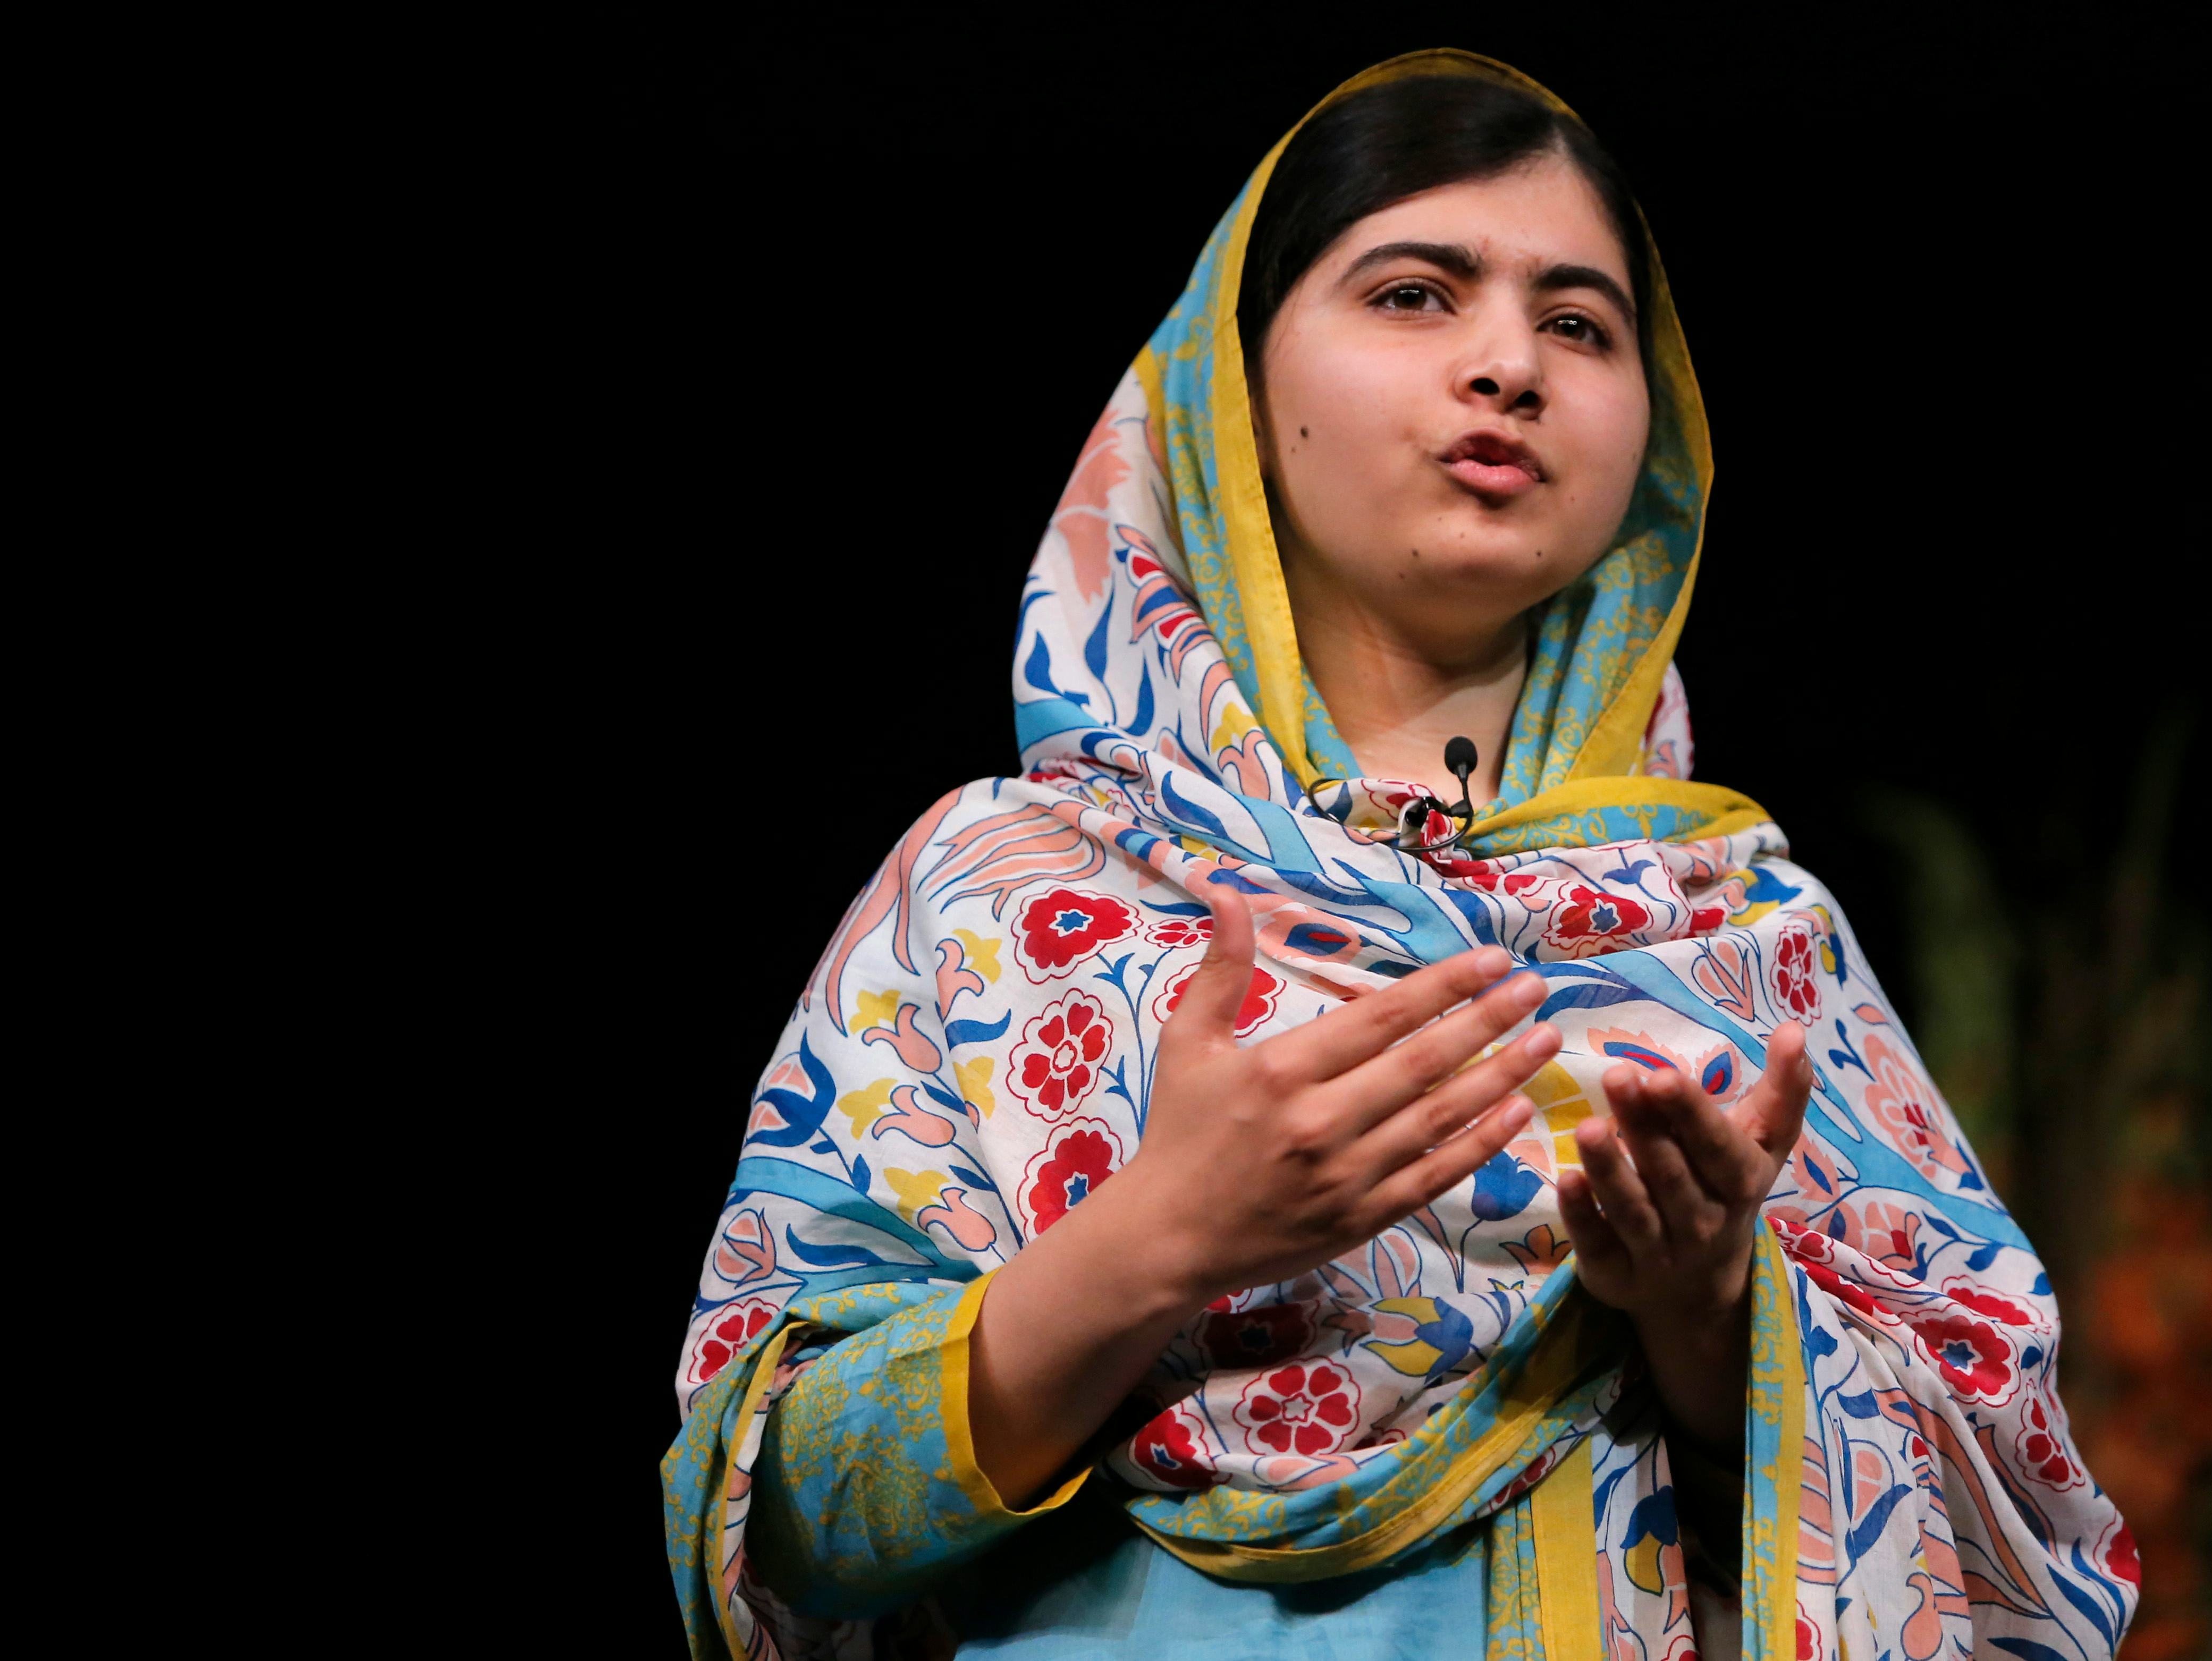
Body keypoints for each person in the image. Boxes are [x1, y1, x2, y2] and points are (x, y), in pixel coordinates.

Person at [663, 50, 2132, 1661]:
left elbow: (2019, 1555)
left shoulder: (1748, 938)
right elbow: (769, 1520)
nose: (1509, 362)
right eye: (1416, 294)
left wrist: (1714, 1310)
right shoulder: (1003, 891)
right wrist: (1157, 1241)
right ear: (1232, 385)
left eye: (1580, 324)